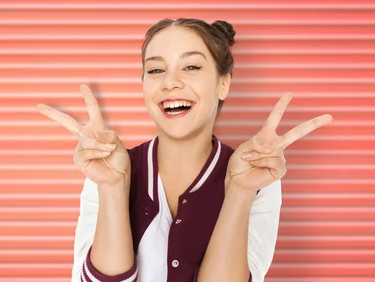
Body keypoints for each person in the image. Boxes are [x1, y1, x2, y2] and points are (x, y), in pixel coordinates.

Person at [36, 18, 333, 282]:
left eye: (191, 67)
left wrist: (240, 193)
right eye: (155, 69)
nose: (170, 82)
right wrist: (113, 189)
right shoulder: (106, 169)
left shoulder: (258, 177)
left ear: (224, 84)